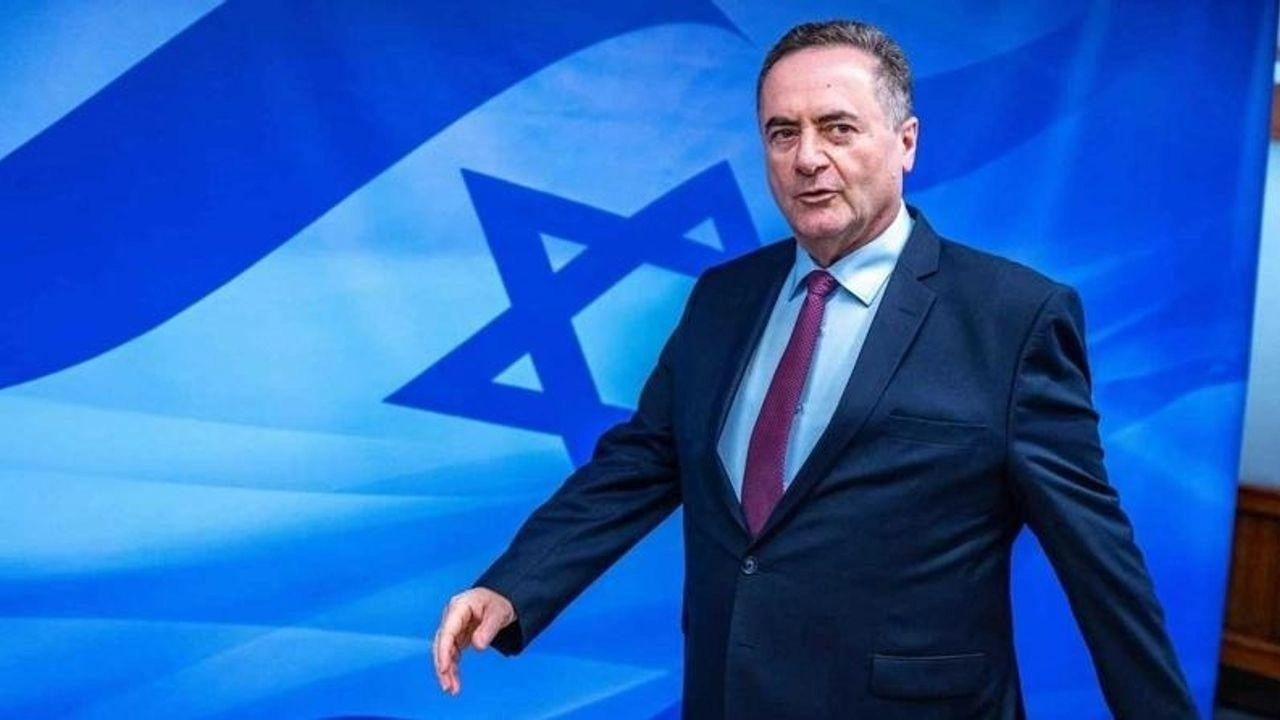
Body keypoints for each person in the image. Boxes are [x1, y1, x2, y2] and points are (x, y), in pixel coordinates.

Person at [433, 19, 1198, 719]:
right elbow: (644, 461)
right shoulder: (723, 297)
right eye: (782, 132)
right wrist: (513, 584)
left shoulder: (1013, 317)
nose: (807, 158)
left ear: (905, 142)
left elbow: (1099, 560)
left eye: (838, 127)